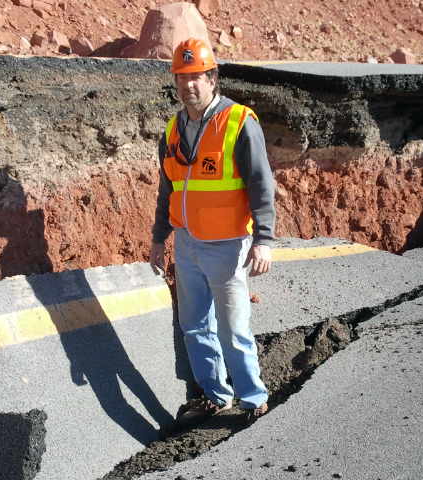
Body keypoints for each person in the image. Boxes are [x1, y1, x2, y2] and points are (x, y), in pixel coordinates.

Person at [149, 38, 276, 423]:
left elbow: (261, 183)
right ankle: (216, 395)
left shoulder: (238, 122)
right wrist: (159, 239)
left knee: (233, 328)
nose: (189, 84)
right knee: (195, 326)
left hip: (227, 244)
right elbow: (167, 189)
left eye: (197, 76)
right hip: (187, 243)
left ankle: (253, 399)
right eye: (182, 76)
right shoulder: (172, 129)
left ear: (212, 78)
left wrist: (264, 240)